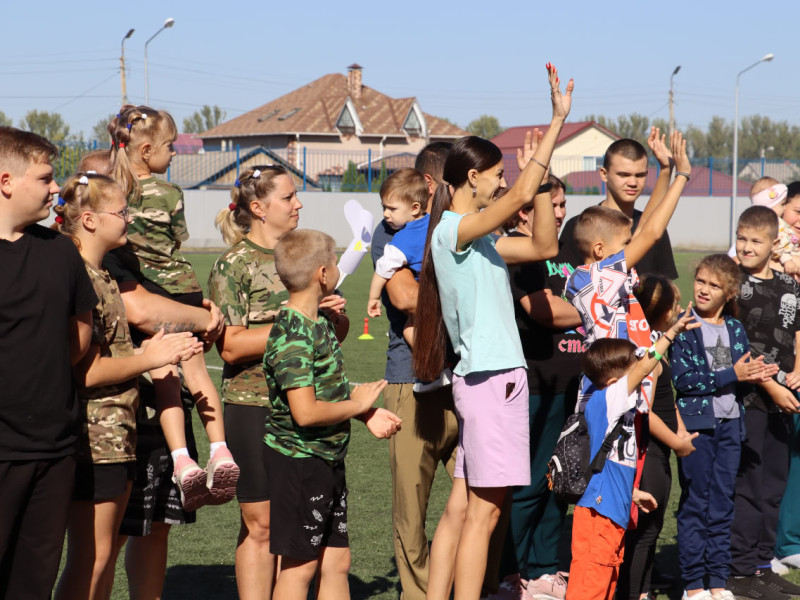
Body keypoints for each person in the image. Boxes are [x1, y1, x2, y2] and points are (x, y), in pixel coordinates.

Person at [413, 63, 572, 600]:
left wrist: (542, 185)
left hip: (488, 381)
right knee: (485, 515)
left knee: (464, 509)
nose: (504, 181)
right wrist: (556, 123)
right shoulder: (455, 229)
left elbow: (544, 245)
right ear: (472, 178)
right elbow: (516, 197)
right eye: (497, 174)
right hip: (493, 380)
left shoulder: (477, 238)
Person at [51, 172, 201, 600]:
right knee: (91, 558)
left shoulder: (101, 273)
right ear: (90, 220)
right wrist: (150, 358)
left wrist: (153, 349)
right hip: (95, 438)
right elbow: (86, 371)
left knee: (100, 558)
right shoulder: (80, 275)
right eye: (121, 212)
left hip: (116, 434)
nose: (129, 219)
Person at [208, 165, 348, 599]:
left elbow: (332, 337)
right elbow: (230, 346)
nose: (298, 204)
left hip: (306, 407)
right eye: (288, 197)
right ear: (258, 208)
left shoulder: (304, 253)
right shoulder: (234, 264)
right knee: (261, 524)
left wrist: (331, 319)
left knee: (302, 526)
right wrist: (298, 322)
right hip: (253, 406)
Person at [108, 105, 238, 510]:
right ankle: (220, 451)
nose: (175, 153)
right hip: (183, 291)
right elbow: (177, 238)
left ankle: (182, 462)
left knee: (164, 376)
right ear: (147, 150)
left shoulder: (115, 194)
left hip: (151, 292)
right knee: (197, 374)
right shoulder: (170, 193)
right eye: (170, 146)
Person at [264, 229, 401, 600]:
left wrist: (365, 414)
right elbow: (305, 413)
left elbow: (327, 391)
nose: (340, 267)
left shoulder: (319, 323)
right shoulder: (293, 335)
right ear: (322, 274)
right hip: (300, 463)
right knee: (299, 568)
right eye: (335, 261)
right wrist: (358, 405)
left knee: (337, 561)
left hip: (326, 459)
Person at [0, 127, 97, 600]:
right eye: (45, 178)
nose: (56, 187)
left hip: (54, 449)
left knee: (34, 583)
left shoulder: (60, 250)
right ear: (6, 181)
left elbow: (79, 335)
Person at [372, 141, 460, 600]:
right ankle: (422, 593)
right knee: (412, 508)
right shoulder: (394, 228)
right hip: (412, 381)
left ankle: (473, 583)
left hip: (468, 380)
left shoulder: (461, 224)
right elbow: (405, 297)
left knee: (483, 494)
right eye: (458, 180)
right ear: (431, 185)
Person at [565, 311, 696, 600]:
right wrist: (670, 334)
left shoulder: (615, 408)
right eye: (633, 368)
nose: (641, 371)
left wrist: (632, 493)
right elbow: (647, 365)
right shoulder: (608, 398)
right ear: (614, 379)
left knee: (605, 583)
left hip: (611, 511)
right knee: (591, 587)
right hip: (599, 514)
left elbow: (607, 464)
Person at [493, 171, 581, 600]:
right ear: (524, 211)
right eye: (550, 203)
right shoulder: (517, 251)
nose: (558, 212)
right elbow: (542, 311)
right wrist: (597, 310)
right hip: (534, 385)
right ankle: (511, 570)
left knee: (558, 482)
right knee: (527, 484)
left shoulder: (569, 250)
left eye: (562, 204)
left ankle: (545, 569)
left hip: (571, 384)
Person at [668, 254, 774, 600]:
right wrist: (733, 374)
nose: (703, 289)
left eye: (714, 285)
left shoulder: (735, 329)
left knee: (723, 504)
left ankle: (717, 581)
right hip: (698, 427)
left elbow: (737, 379)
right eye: (701, 280)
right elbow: (684, 381)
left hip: (731, 427)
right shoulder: (684, 326)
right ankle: (693, 585)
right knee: (696, 503)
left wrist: (755, 375)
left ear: (729, 293)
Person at [566, 130, 691, 410]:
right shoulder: (600, 276)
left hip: (626, 381)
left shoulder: (596, 275)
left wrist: (665, 171)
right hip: (613, 387)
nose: (631, 246)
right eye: (625, 243)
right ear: (600, 249)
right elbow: (651, 233)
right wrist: (682, 176)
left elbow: (645, 228)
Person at [726, 207, 800, 600]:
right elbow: (735, 345)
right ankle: (739, 570)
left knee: (774, 485)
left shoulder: (789, 285)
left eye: (756, 240)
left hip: (783, 400)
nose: (747, 246)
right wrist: (772, 387)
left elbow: (797, 329)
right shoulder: (732, 283)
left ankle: (762, 564)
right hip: (749, 400)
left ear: (774, 244)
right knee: (749, 486)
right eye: (742, 238)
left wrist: (799, 369)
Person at [616, 275, 699, 600]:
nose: (678, 311)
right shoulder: (647, 354)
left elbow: (665, 400)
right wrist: (677, 443)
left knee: (651, 531)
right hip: (648, 452)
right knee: (644, 533)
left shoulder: (657, 346)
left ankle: (644, 591)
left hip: (659, 451)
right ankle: (632, 593)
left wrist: (680, 428)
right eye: (675, 306)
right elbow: (644, 412)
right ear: (663, 312)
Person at [558, 128, 679, 280]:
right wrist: (679, 174)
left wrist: (667, 169)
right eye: (623, 175)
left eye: (640, 175)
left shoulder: (654, 226)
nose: (633, 182)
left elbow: (666, 286)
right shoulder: (579, 226)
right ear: (604, 174)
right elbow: (564, 284)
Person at [775, 182, 800, 572]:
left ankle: (789, 539)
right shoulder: (771, 252)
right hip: (779, 369)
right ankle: (781, 541)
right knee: (778, 457)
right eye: (797, 211)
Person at [367, 167, 429, 323]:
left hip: (423, 304)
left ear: (415, 208)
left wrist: (374, 297)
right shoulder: (437, 222)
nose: (385, 214)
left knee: (409, 331)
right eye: (384, 207)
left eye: (392, 209)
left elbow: (382, 270)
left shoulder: (402, 240)